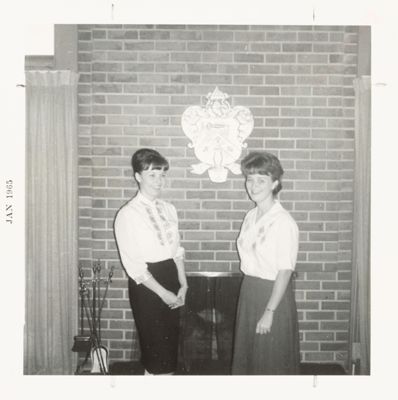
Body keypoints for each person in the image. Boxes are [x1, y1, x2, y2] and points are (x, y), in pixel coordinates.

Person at [114, 148, 188, 375]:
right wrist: (163, 293)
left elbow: (176, 250)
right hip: (147, 285)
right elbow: (134, 265)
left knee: (169, 353)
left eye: (162, 175)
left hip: (171, 276)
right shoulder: (128, 214)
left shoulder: (169, 209)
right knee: (157, 353)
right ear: (138, 176)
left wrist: (184, 284)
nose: (159, 181)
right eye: (152, 175)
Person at [231, 151, 300, 375]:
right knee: (248, 359)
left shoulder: (283, 222)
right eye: (249, 179)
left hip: (273, 297)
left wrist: (269, 311)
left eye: (261, 180)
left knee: (270, 360)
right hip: (249, 291)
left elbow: (285, 271)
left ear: (275, 184)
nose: (253, 185)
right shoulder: (250, 216)